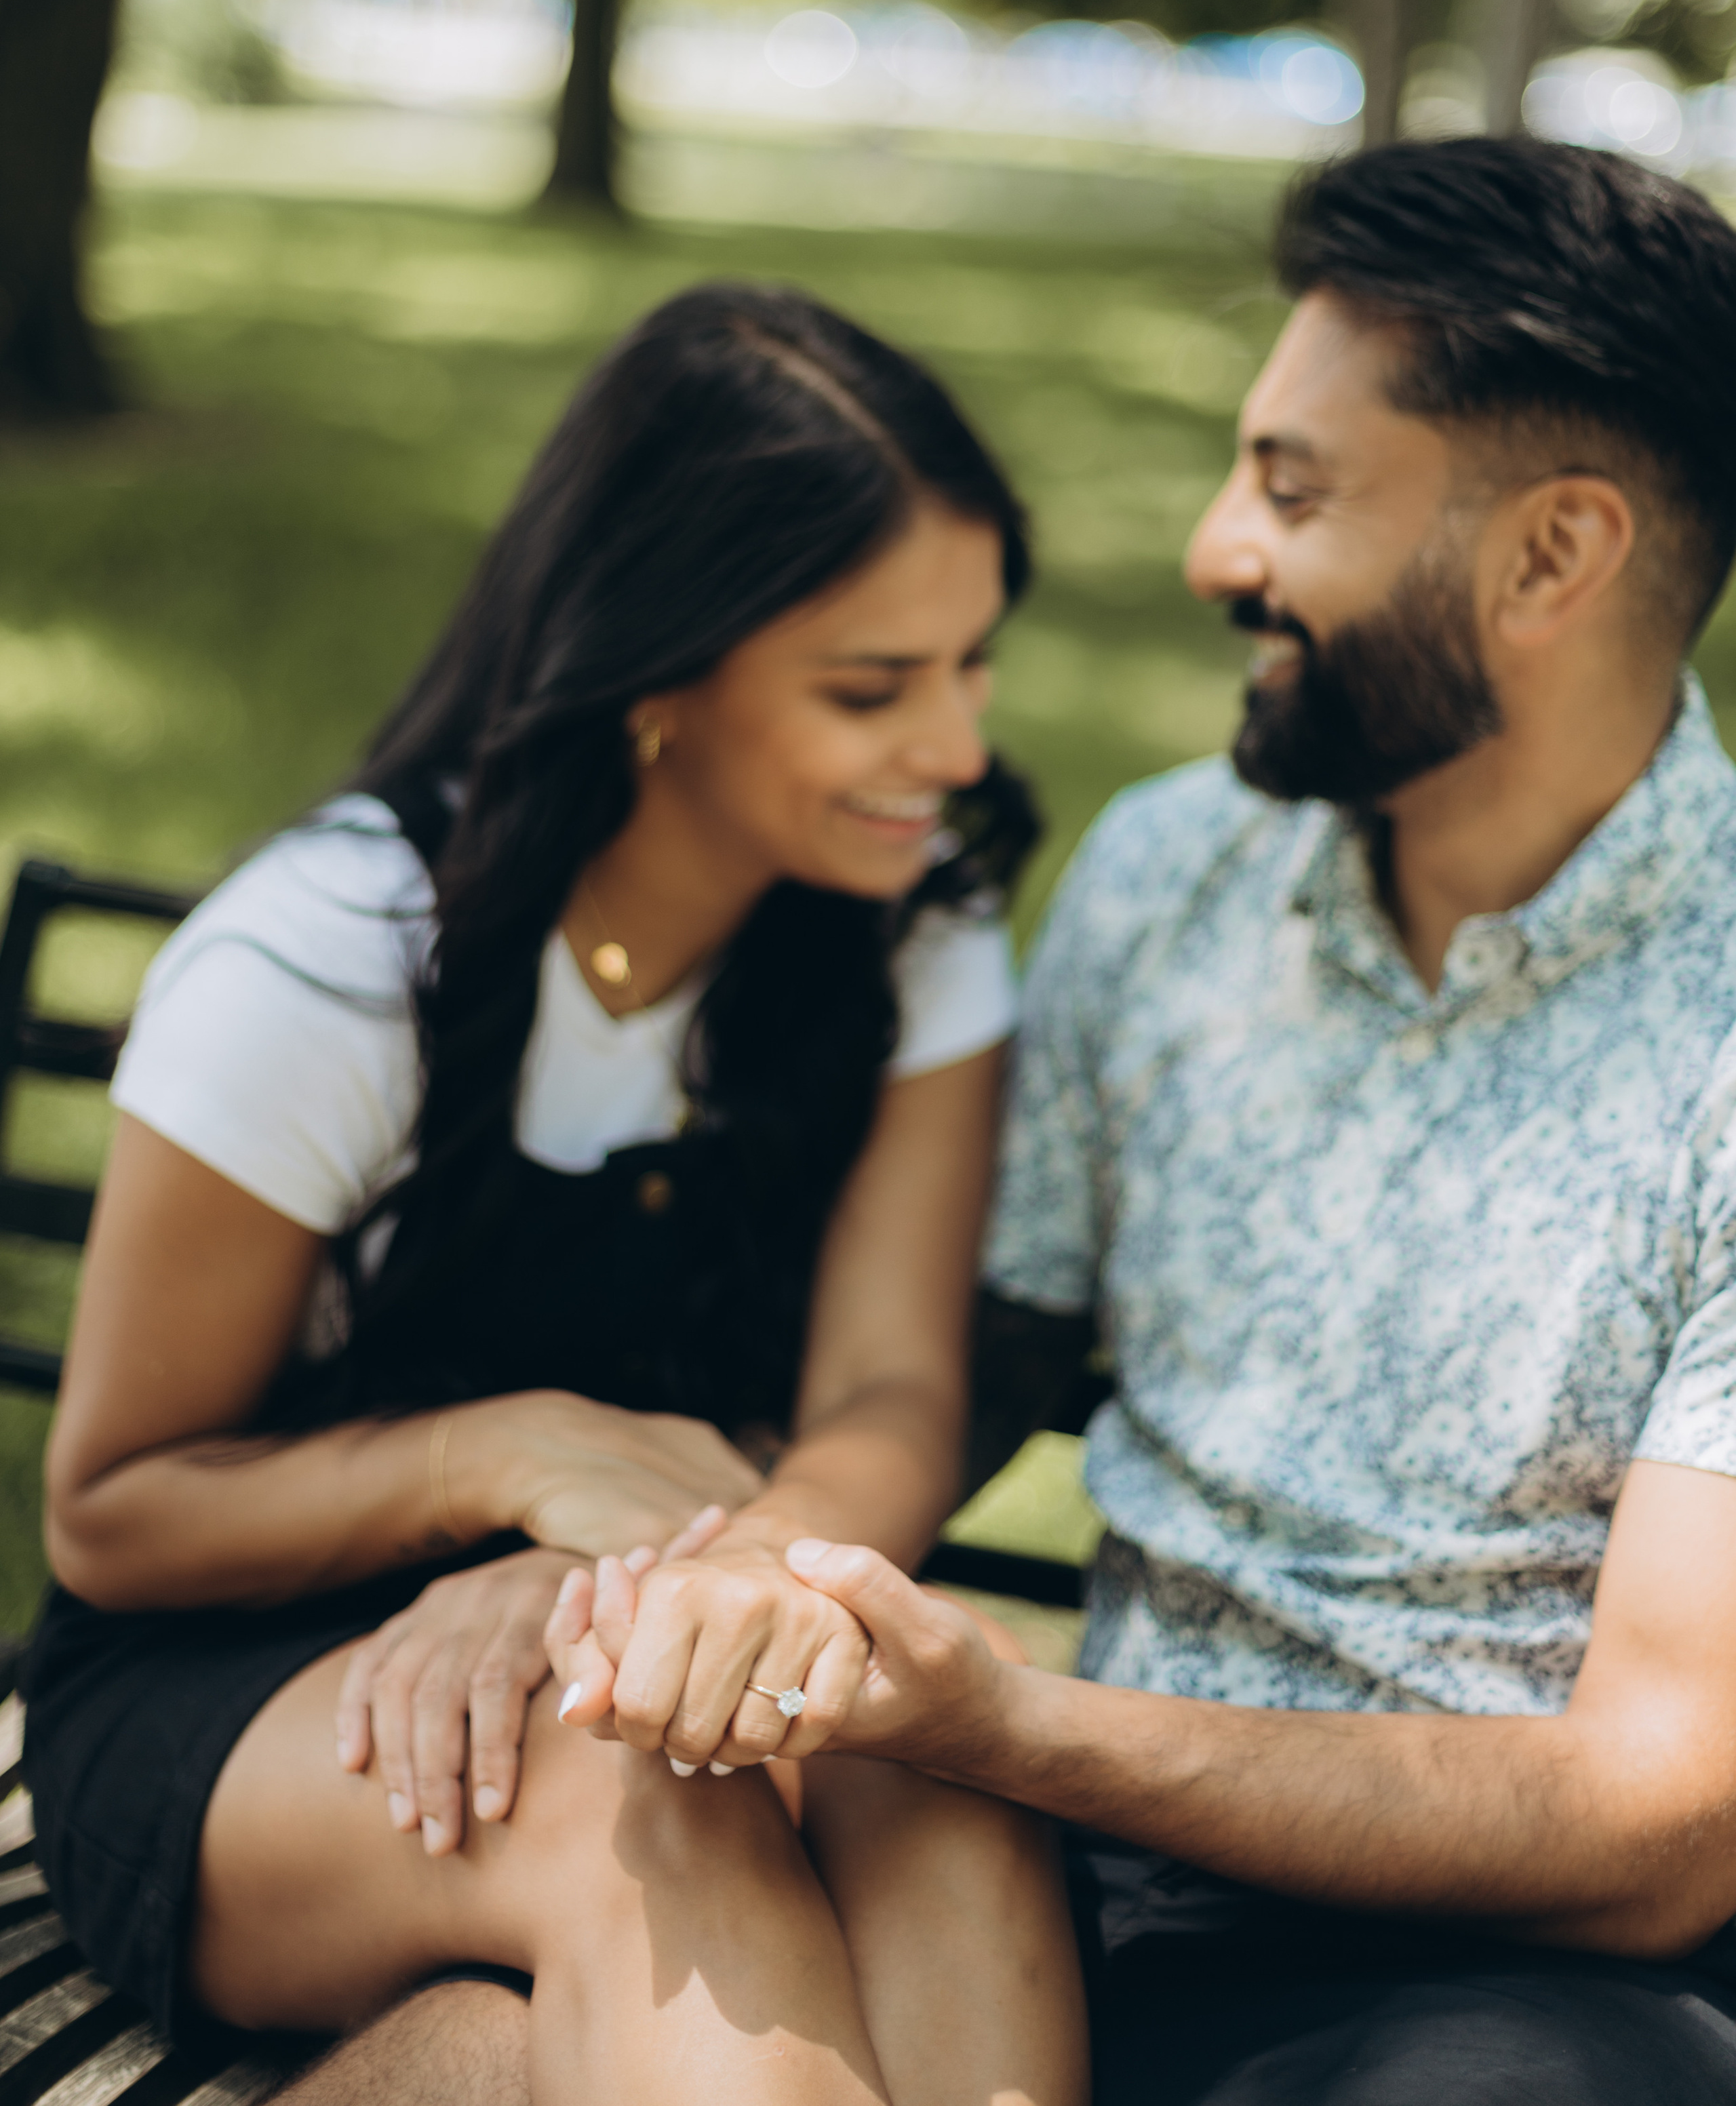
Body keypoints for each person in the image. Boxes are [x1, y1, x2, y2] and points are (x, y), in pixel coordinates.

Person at [688, 139, 1736, 2105]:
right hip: (1058, 1889)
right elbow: (966, 1367)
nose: (1211, 550)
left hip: (1503, 1983)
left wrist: (1015, 1726)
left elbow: (1660, 1831)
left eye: (1294, 488)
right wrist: (702, 1569)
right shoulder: (1172, 878)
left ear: (1553, 557)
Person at [20, 285, 1086, 2106]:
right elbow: (114, 1513)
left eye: (972, 663)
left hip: (667, 1604)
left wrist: (676, 1585)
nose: (959, 750)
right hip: (247, 1693)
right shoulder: (338, 964)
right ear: (660, 681)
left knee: (925, 1768)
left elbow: (891, 1397)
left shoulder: (917, 933)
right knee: (645, 1808)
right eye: (872, 687)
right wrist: (504, 1459)